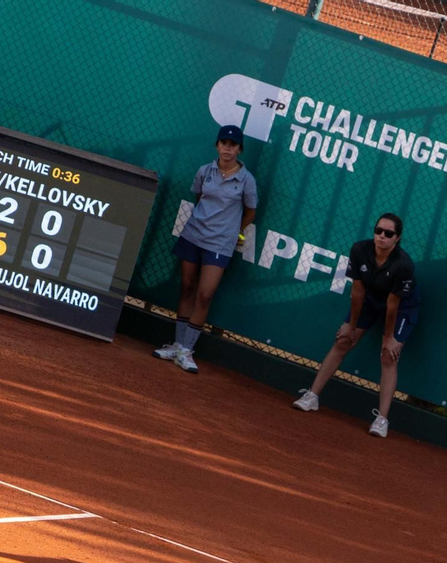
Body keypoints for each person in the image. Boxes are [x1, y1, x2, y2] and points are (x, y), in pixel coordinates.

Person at [290, 213, 419, 438]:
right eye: (378, 231)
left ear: (397, 238)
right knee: (343, 341)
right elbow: (358, 291)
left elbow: (392, 306)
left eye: (388, 234)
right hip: (370, 299)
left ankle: (382, 420)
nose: (382, 236)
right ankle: (312, 397)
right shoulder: (360, 250)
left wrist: (388, 338)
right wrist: (350, 325)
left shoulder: (403, 264)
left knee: (388, 356)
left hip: (401, 308)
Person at [154, 125, 258, 375]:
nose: (227, 149)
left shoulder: (247, 180)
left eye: (233, 145)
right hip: (193, 235)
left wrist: (235, 231)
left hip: (220, 244)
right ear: (217, 146)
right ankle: (177, 345)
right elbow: (199, 197)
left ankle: (187, 350)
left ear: (240, 149)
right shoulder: (204, 171)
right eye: (224, 143)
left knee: (205, 294)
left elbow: (250, 211)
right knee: (187, 287)